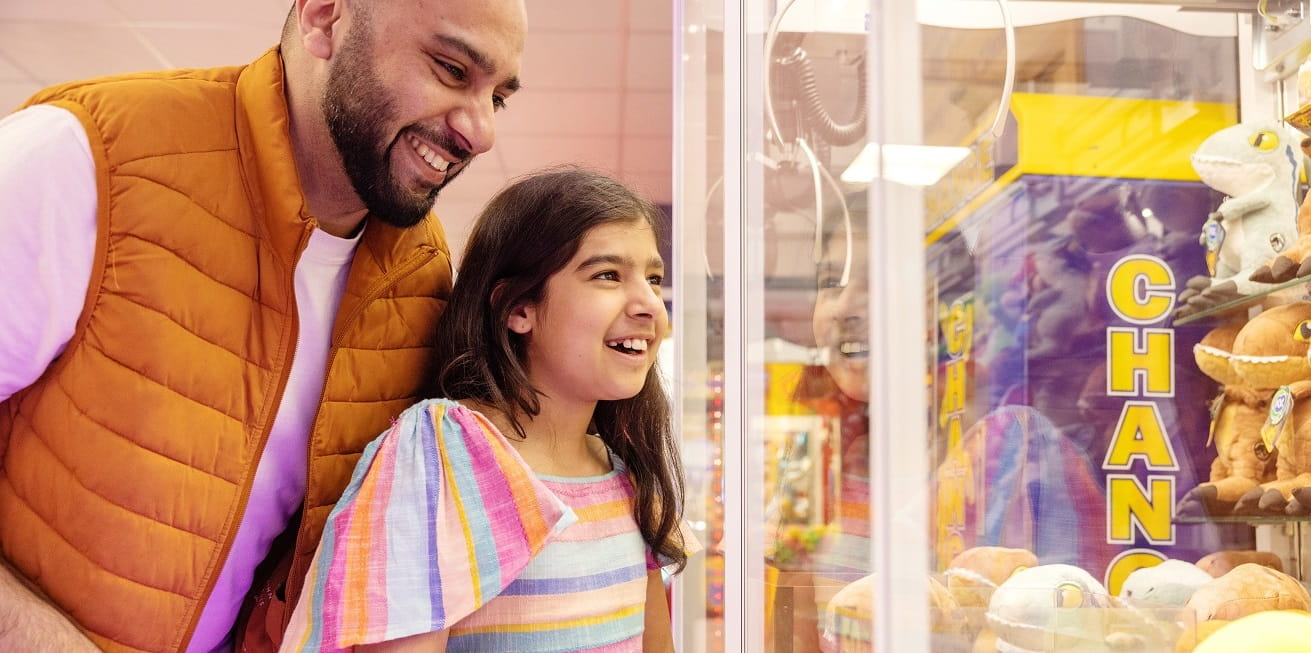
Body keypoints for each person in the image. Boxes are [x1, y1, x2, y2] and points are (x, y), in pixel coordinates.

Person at [0, 0, 527, 651]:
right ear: (325, 17)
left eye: (497, 97)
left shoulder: (421, 271)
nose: (481, 131)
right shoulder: (86, 158)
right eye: (451, 68)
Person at [278, 166, 691, 652]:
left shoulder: (627, 472)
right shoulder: (442, 456)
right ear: (518, 308)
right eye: (607, 275)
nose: (650, 305)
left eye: (653, 277)